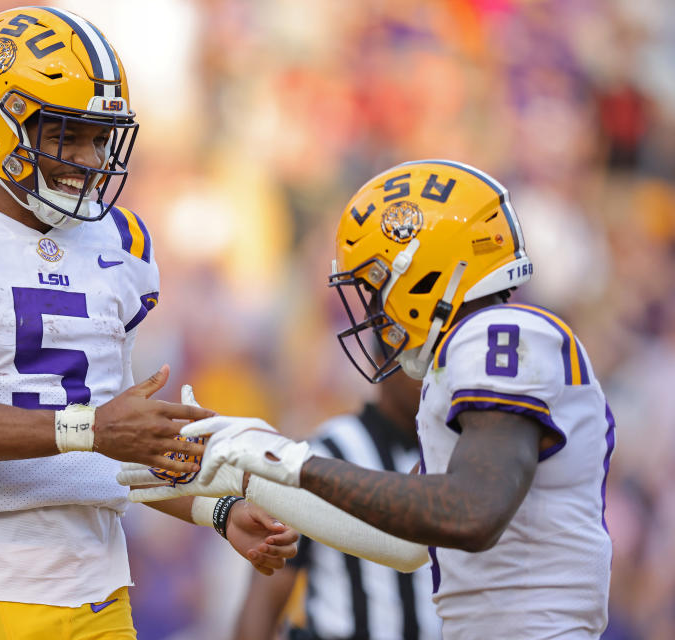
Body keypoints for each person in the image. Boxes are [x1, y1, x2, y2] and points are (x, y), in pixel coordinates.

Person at [0, 7, 296, 639]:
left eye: (98, 138)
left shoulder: (120, 246)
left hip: (100, 598)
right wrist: (90, 428)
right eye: (65, 134)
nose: (87, 158)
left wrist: (217, 510)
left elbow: (109, 455)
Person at [158, 160, 615, 639]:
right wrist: (249, 475)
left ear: (420, 273)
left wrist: (288, 459)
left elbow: (472, 512)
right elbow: (405, 543)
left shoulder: (500, 333)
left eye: (376, 287)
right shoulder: (465, 358)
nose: (374, 312)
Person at [233, 371, 440, 640]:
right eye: (417, 357)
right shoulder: (324, 453)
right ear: (383, 360)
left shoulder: (459, 452)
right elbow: (263, 601)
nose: (426, 373)